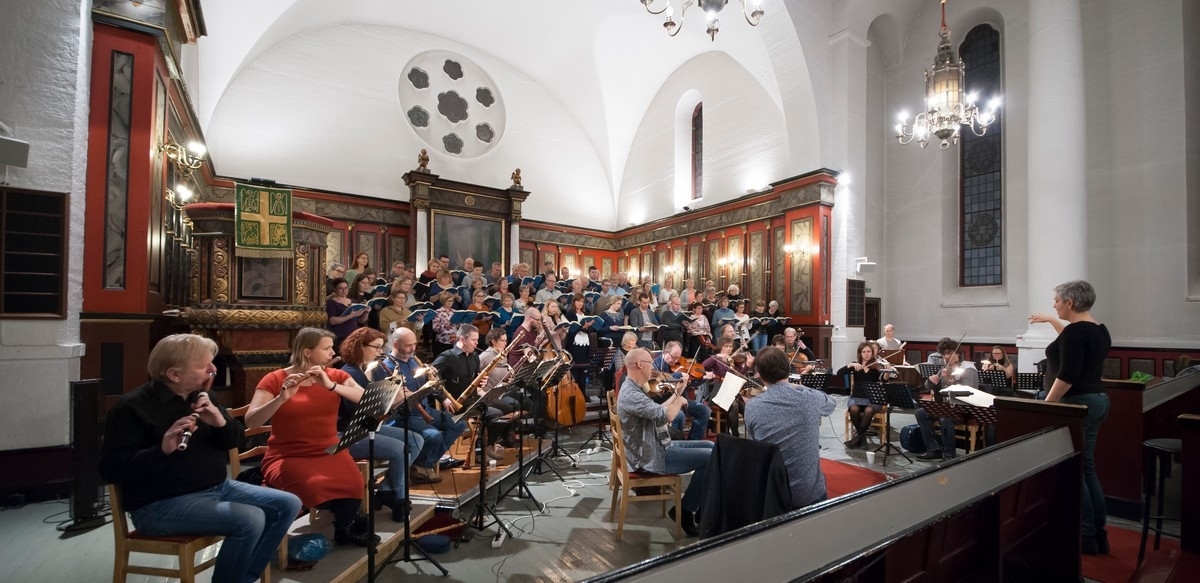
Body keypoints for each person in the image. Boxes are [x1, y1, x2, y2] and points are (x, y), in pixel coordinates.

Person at [98, 334, 302, 583]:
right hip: (160, 505)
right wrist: (161, 449)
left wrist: (218, 420)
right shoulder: (131, 408)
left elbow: (234, 441)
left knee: (288, 503)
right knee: (250, 519)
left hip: (216, 488)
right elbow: (110, 469)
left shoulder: (202, 396)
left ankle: (244, 577)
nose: (213, 369)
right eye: (204, 365)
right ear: (174, 375)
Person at [245, 327, 378, 547]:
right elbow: (251, 421)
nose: (331, 352)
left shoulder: (334, 375)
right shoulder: (276, 379)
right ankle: (347, 519)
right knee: (313, 486)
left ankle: (344, 529)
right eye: (326, 348)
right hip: (287, 454)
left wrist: (331, 386)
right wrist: (280, 398)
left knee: (354, 483)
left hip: (329, 449)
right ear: (307, 352)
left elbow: (366, 398)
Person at [1029, 279, 1112, 555]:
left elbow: (1067, 375)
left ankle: (1085, 534)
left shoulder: (1075, 333)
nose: (1054, 304)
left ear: (1070, 302)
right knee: (1087, 468)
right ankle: (1099, 532)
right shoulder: (1099, 330)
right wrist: (1052, 320)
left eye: (1056, 301)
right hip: (1097, 400)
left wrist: (1048, 405)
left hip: (1075, 403)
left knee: (1076, 470)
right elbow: (1073, 339)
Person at [616, 347, 713, 537]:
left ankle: (699, 505)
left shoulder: (634, 387)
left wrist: (678, 393)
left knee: (712, 447)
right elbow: (666, 416)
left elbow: (657, 411)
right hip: (650, 456)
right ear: (639, 365)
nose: (653, 368)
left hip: (659, 444)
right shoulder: (631, 394)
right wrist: (680, 401)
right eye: (650, 363)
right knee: (711, 457)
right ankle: (687, 510)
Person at [336, 327, 423, 521]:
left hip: (369, 426)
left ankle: (384, 489)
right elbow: (355, 411)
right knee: (402, 448)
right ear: (359, 347)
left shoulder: (371, 370)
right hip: (350, 432)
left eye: (380, 347)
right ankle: (399, 497)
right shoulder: (348, 373)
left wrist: (398, 396)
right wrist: (388, 401)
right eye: (375, 347)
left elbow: (381, 407)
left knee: (416, 440)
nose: (379, 352)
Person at [369, 327, 468, 482]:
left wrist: (443, 397)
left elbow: (429, 385)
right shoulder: (385, 368)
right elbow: (386, 402)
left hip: (424, 410)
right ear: (395, 345)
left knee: (459, 423)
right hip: (403, 416)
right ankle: (420, 465)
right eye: (408, 345)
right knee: (433, 436)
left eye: (414, 344)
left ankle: (422, 464)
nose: (413, 349)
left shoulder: (415, 362)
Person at [744, 347, 837, 508]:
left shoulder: (752, 407)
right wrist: (799, 387)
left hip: (771, 493)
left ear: (761, 375)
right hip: (808, 492)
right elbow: (831, 404)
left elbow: (754, 442)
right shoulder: (809, 398)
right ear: (788, 369)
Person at [914, 337, 979, 462]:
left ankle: (948, 454)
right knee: (920, 413)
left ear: (958, 354)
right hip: (947, 407)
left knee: (945, 417)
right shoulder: (944, 368)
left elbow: (967, 392)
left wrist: (951, 380)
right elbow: (927, 387)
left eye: (949, 353)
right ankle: (933, 449)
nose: (946, 356)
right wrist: (930, 380)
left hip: (963, 408)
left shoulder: (968, 369)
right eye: (944, 354)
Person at [655, 341, 711, 441]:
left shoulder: (679, 366)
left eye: (678, 358)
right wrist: (678, 375)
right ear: (665, 352)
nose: (676, 360)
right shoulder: (656, 364)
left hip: (682, 399)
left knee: (705, 410)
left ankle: (693, 440)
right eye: (673, 357)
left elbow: (690, 386)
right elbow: (661, 380)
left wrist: (702, 378)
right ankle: (676, 442)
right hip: (666, 402)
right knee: (679, 415)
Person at [836, 342, 885, 449]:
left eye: (869, 351)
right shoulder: (856, 365)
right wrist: (850, 365)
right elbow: (839, 373)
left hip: (872, 398)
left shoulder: (877, 366)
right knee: (853, 409)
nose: (866, 354)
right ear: (860, 353)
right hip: (857, 397)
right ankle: (862, 440)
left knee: (868, 410)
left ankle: (857, 439)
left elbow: (885, 380)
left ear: (872, 353)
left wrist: (887, 372)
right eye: (864, 352)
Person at [326, 277, 368, 353]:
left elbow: (361, 321)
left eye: (346, 288)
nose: (344, 290)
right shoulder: (331, 302)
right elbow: (332, 320)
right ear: (335, 289)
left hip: (353, 336)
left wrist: (366, 312)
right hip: (340, 337)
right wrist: (351, 316)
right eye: (340, 288)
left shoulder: (353, 301)